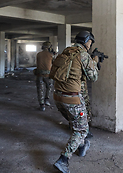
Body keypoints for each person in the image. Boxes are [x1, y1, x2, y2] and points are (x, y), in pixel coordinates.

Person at [51, 31, 99, 173]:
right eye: (90, 42)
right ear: (87, 41)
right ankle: (63, 159)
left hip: (58, 97)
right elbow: (93, 77)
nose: (90, 45)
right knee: (82, 129)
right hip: (72, 98)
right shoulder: (83, 55)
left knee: (75, 123)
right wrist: (94, 61)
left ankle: (82, 146)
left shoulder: (66, 52)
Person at [35, 41, 54, 111]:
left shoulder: (39, 54)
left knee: (40, 89)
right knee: (49, 87)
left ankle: (42, 105)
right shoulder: (51, 55)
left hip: (39, 74)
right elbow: (54, 64)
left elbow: (37, 63)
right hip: (48, 75)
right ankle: (47, 99)